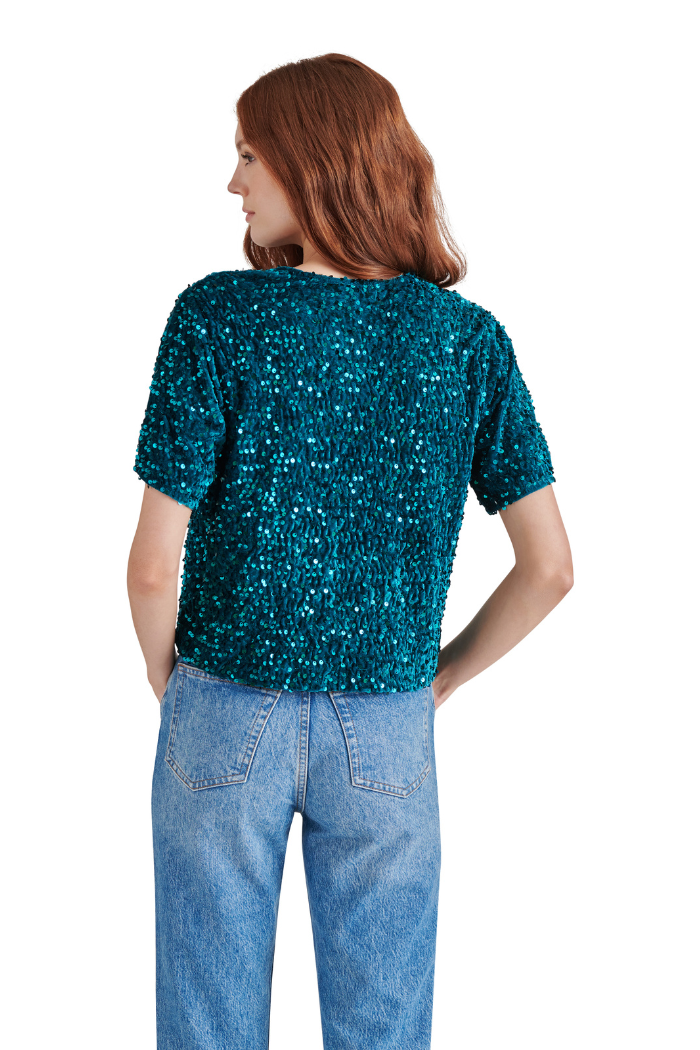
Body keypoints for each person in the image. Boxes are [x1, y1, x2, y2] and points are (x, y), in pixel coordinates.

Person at [127, 52, 573, 1050]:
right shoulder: (467, 342)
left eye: (249, 155)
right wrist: (436, 679)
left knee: (205, 1025)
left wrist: (176, 684)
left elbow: (152, 566)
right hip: (387, 725)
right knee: (384, 1030)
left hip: (221, 705)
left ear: (309, 157)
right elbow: (550, 567)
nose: (233, 182)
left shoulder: (215, 316)